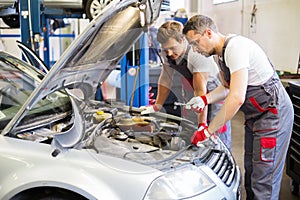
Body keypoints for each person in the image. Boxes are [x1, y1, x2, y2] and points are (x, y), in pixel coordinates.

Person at [183, 15, 294, 200]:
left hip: (273, 116)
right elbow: (227, 87)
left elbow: (236, 98)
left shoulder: (236, 47)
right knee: (251, 171)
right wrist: (205, 99)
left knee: (263, 179)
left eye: (195, 43)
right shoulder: (219, 56)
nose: (195, 49)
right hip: (256, 117)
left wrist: (208, 131)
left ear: (208, 33)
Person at [141, 20, 232, 150]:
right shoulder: (166, 53)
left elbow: (201, 91)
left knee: (215, 140)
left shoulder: (196, 54)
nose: (169, 53)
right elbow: (166, 78)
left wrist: (202, 124)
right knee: (190, 132)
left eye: (173, 48)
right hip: (191, 92)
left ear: (183, 40)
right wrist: (157, 106)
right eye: (166, 49)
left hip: (212, 95)